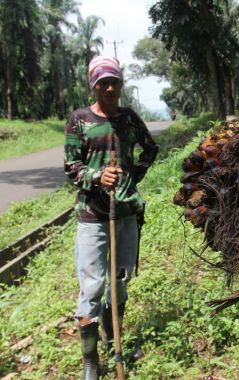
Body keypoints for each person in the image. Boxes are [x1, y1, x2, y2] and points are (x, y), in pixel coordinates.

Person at [64, 55, 158, 379]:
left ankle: (112, 340)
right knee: (91, 287)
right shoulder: (80, 120)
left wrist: (133, 177)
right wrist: (96, 177)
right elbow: (70, 166)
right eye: (102, 82)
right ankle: (91, 363)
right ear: (93, 85)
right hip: (92, 216)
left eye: (113, 81)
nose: (108, 87)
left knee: (119, 280)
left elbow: (150, 148)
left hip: (126, 213)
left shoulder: (129, 119)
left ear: (120, 84)